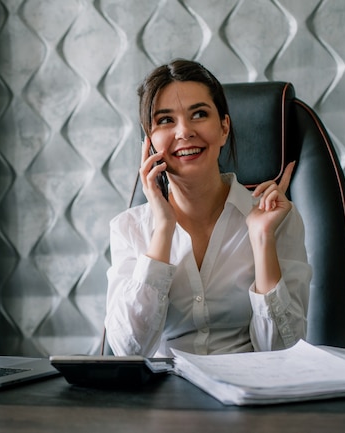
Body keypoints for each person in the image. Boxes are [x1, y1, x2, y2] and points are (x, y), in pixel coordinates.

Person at [104, 59, 312, 357]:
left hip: (248, 392)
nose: (184, 131)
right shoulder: (129, 229)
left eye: (199, 114)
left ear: (224, 128)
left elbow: (284, 351)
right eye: (165, 120)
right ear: (149, 140)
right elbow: (128, 351)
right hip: (165, 397)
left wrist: (262, 239)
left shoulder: (277, 219)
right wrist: (163, 230)